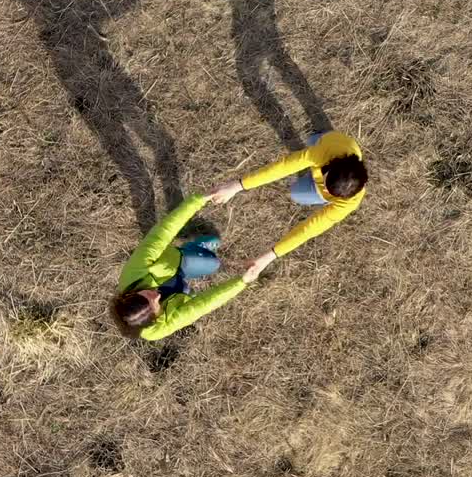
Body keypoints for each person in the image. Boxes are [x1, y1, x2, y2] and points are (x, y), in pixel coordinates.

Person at [210, 131, 367, 279]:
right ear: (331, 165)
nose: (324, 188)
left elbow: (309, 229)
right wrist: (237, 186)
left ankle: (317, 159)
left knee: (297, 194)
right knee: (312, 141)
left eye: (330, 193)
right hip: (328, 141)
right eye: (325, 182)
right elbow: (281, 168)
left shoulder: (349, 203)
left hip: (333, 150)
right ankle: (319, 137)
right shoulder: (323, 153)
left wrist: (268, 257)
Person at [110, 192, 259, 340]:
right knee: (190, 295)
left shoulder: (135, 270)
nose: (156, 296)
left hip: (175, 264)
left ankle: (192, 249)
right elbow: (201, 306)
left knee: (213, 263)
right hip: (175, 290)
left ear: (129, 295)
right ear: (154, 320)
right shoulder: (157, 330)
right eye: (155, 306)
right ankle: (185, 292)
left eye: (147, 295)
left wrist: (198, 200)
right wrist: (241, 282)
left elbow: (163, 232)